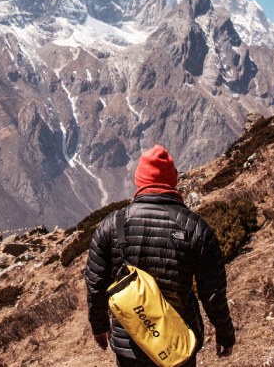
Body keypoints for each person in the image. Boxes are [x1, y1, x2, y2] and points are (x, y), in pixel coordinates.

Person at [85, 144, 236, 366]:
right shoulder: (194, 228)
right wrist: (224, 333)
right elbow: (212, 292)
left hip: (130, 341)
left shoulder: (112, 225)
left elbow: (95, 283)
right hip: (177, 341)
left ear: (139, 180)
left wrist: (99, 326)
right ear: (172, 180)